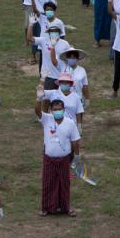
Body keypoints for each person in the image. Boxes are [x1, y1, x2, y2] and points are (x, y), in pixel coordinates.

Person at [34, 82, 82, 217]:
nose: (57, 111)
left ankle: (66, 207)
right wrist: (39, 99)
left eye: (59, 108)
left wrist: (77, 157)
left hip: (64, 158)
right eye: (55, 109)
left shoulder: (70, 123)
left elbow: (75, 141)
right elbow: (37, 112)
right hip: (49, 158)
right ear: (50, 110)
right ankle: (46, 208)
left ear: (63, 109)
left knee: (64, 184)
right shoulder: (47, 120)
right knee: (48, 184)